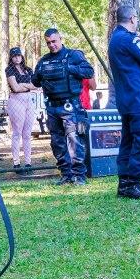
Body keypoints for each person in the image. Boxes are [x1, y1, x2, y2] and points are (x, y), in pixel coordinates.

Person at [32, 28, 94, 186]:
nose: (51, 45)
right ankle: (66, 174)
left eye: (54, 41)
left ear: (60, 39)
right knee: (57, 142)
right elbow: (35, 81)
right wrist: (40, 74)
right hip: (52, 107)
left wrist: (70, 69)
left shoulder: (74, 55)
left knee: (75, 140)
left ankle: (79, 175)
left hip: (71, 106)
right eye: (48, 43)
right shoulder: (44, 60)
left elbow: (89, 71)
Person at [107, 6, 140, 199]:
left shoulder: (114, 39)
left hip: (126, 98)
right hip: (137, 98)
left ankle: (124, 183)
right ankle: (133, 182)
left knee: (128, 141)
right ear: (133, 18)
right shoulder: (129, 38)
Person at [5, 47, 36, 171]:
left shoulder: (28, 70)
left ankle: (28, 162)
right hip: (16, 100)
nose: (17, 57)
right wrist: (26, 86)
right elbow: (15, 88)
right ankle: (16, 163)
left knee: (27, 134)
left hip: (29, 100)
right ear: (11, 58)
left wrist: (23, 85)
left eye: (18, 55)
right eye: (14, 56)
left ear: (21, 56)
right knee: (17, 132)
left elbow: (35, 85)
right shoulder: (10, 70)